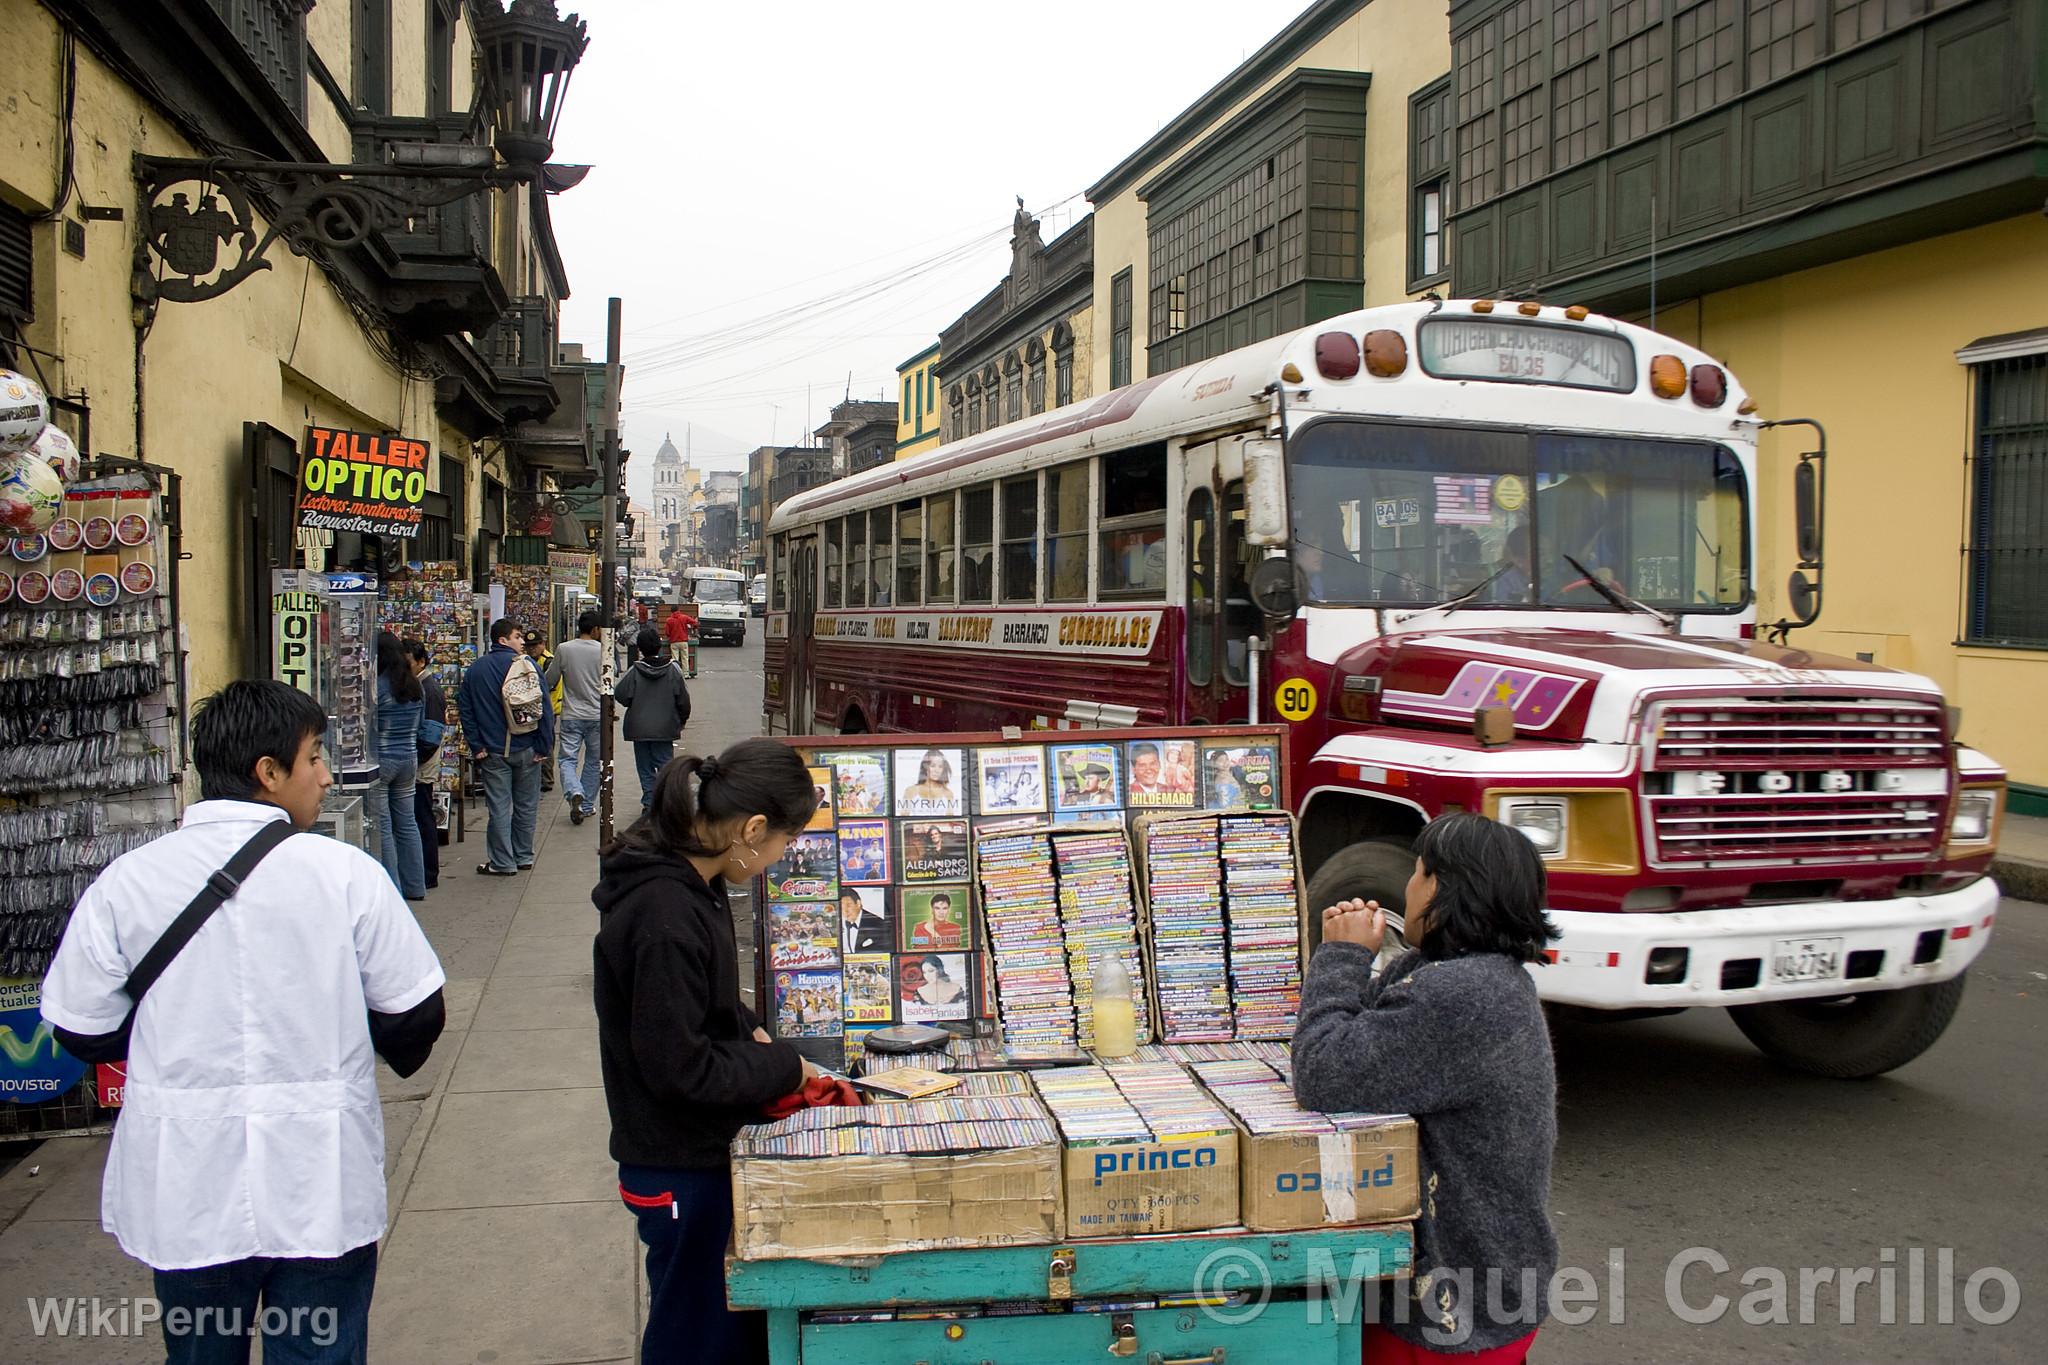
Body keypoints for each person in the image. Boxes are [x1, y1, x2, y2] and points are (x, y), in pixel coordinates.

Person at [40, 681, 445, 1364]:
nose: (323, 775)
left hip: (188, 1189)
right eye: (313, 757)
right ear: (268, 772)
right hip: (320, 1183)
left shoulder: (128, 882)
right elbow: (414, 1016)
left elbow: (80, 1027)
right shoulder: (345, 875)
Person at [1292, 814, 1559, 1363]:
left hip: (1455, 1303)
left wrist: (1341, 957)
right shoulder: (1469, 973)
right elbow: (1372, 1029)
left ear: (1441, 888)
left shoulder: (1465, 995)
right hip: (1484, 1281)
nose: (1407, 889)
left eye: (1417, 874)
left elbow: (1323, 1071)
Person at [592, 738, 820, 1365]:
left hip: (697, 1153)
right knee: (695, 1334)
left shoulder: (698, 875)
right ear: (751, 829)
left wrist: (749, 1028)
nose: (780, 858)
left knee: (720, 1325)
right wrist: (784, 1066)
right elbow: (680, 1066)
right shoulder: (664, 910)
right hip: (677, 1168)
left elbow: (706, 1000)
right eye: (784, 842)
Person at [458, 618, 556, 876]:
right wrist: (543, 747)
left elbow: (466, 711)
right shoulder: (528, 667)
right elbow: (544, 708)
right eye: (516, 636)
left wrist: (476, 745)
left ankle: (502, 861)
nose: (522, 641)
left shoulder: (476, 670)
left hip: (492, 750)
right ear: (503, 640)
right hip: (527, 747)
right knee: (526, 805)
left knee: (499, 807)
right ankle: (523, 854)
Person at [368, 630, 427, 901]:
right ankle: (416, 885)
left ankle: (393, 888)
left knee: (384, 826)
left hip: (382, 759)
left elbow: (368, 726)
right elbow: (422, 725)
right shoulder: (415, 686)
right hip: (409, 758)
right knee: (407, 822)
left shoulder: (376, 687)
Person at [615, 625, 693, 810]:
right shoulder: (673, 670)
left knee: (644, 768)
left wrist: (634, 702)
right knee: (665, 767)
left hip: (639, 728)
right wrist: (682, 720)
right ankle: (665, 804)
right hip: (665, 728)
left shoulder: (634, 671)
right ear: (660, 646)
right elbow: (683, 699)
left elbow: (620, 693)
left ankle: (649, 803)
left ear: (640, 649)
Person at [546, 610, 606, 825]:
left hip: (571, 715)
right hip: (597, 715)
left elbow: (550, 679)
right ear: (596, 629)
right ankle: (587, 805)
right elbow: (611, 676)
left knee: (567, 759)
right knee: (593, 761)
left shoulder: (564, 649)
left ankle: (574, 792)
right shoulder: (602, 650)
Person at [404, 639, 447, 890]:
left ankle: (428, 872)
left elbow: (431, 735)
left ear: (421, 662)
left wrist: (416, 759)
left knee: (422, 817)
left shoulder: (428, 689)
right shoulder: (419, 686)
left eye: (408, 663)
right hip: (419, 761)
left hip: (422, 764)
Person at [524, 634, 559, 793]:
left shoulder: (548, 661)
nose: (532, 649)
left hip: (548, 710)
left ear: (542, 644)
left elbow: (547, 685)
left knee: (546, 742)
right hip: (534, 709)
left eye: (535, 645)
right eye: (529, 646)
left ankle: (547, 779)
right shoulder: (527, 660)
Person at [838, 889, 890, 954]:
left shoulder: (878, 924)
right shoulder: (840, 924)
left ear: (858, 903)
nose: (845, 911)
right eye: (841, 907)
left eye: (848, 905)